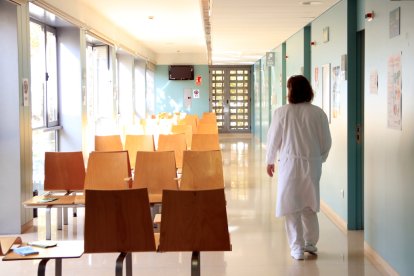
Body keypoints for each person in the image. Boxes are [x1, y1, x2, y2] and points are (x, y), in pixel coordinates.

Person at [266, 75, 331, 260]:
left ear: (291, 91)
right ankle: (310, 243)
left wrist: (270, 160)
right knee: (309, 205)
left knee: (291, 206)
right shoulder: (318, 113)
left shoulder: (282, 113)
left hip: (289, 165)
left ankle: (297, 248)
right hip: (312, 165)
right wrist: (319, 159)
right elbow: (326, 142)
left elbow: (273, 140)